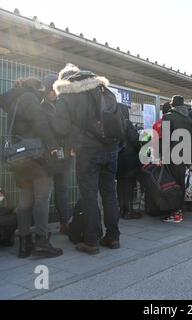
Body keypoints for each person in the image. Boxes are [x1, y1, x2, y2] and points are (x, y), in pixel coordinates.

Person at [51, 64, 121, 255]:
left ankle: (92, 240)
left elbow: (60, 128)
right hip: (111, 149)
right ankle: (113, 237)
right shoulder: (105, 90)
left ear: (66, 80)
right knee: (109, 193)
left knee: (89, 195)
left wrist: (72, 141)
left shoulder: (67, 95)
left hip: (88, 151)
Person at [0, 77, 63, 259]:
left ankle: (24, 245)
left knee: (25, 201)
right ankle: (41, 243)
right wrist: (52, 147)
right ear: (36, 88)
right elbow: (40, 124)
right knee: (41, 199)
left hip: (19, 159)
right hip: (35, 158)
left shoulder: (13, 102)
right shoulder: (29, 98)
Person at [41, 74, 73, 235]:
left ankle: (64, 222)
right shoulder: (41, 107)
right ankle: (42, 228)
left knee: (62, 189)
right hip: (47, 155)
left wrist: (71, 147)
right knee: (44, 192)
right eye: (51, 90)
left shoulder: (61, 105)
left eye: (56, 90)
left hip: (64, 154)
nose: (54, 93)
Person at [161, 95, 192, 223]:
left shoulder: (168, 117)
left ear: (172, 105)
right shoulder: (188, 119)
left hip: (172, 155)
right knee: (181, 184)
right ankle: (179, 211)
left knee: (172, 185)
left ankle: (174, 213)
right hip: (185, 156)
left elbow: (165, 139)